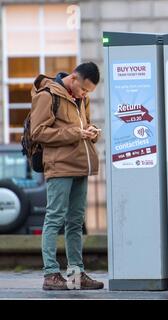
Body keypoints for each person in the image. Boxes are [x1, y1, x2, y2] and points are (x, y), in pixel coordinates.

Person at [30, 62, 104, 290]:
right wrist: (75, 132)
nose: (85, 94)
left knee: (75, 223)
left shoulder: (82, 98)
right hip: (60, 166)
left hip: (80, 165)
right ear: (73, 79)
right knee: (54, 218)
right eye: (84, 89)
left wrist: (91, 133)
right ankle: (51, 274)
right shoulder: (47, 95)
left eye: (89, 92)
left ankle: (76, 273)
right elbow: (38, 132)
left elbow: (84, 125)